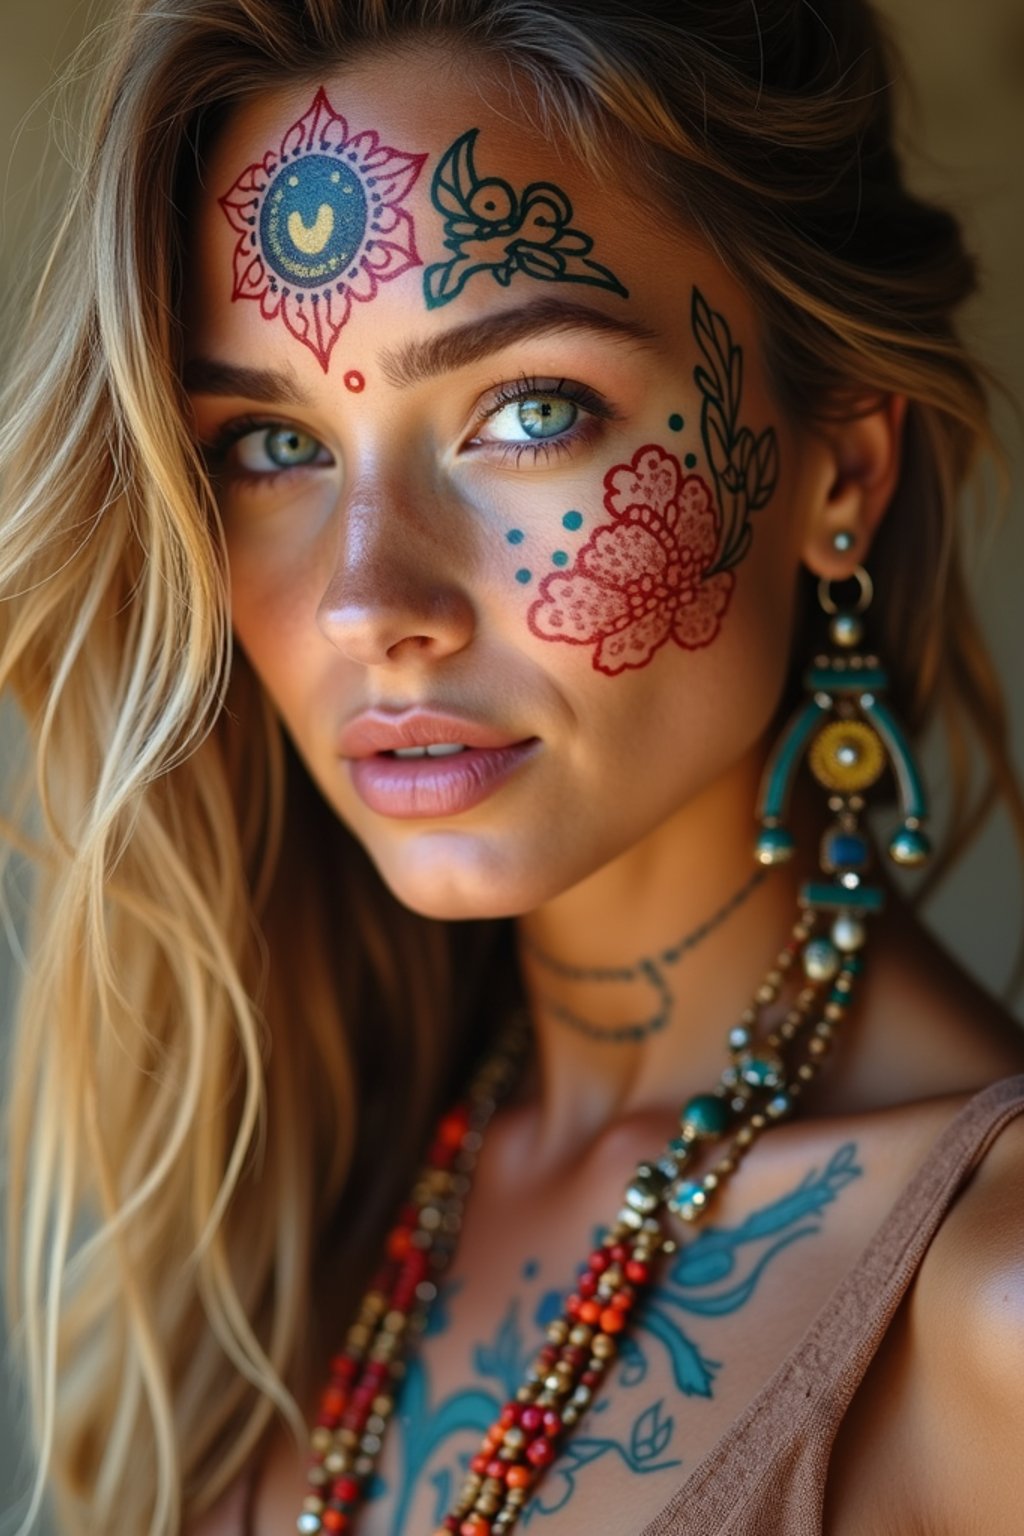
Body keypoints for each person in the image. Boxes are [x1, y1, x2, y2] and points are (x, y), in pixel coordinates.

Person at [2, 0, 1023, 1532]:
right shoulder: (295, 1208)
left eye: (527, 410)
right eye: (272, 447)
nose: (366, 605)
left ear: (841, 469)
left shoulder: (988, 1307)